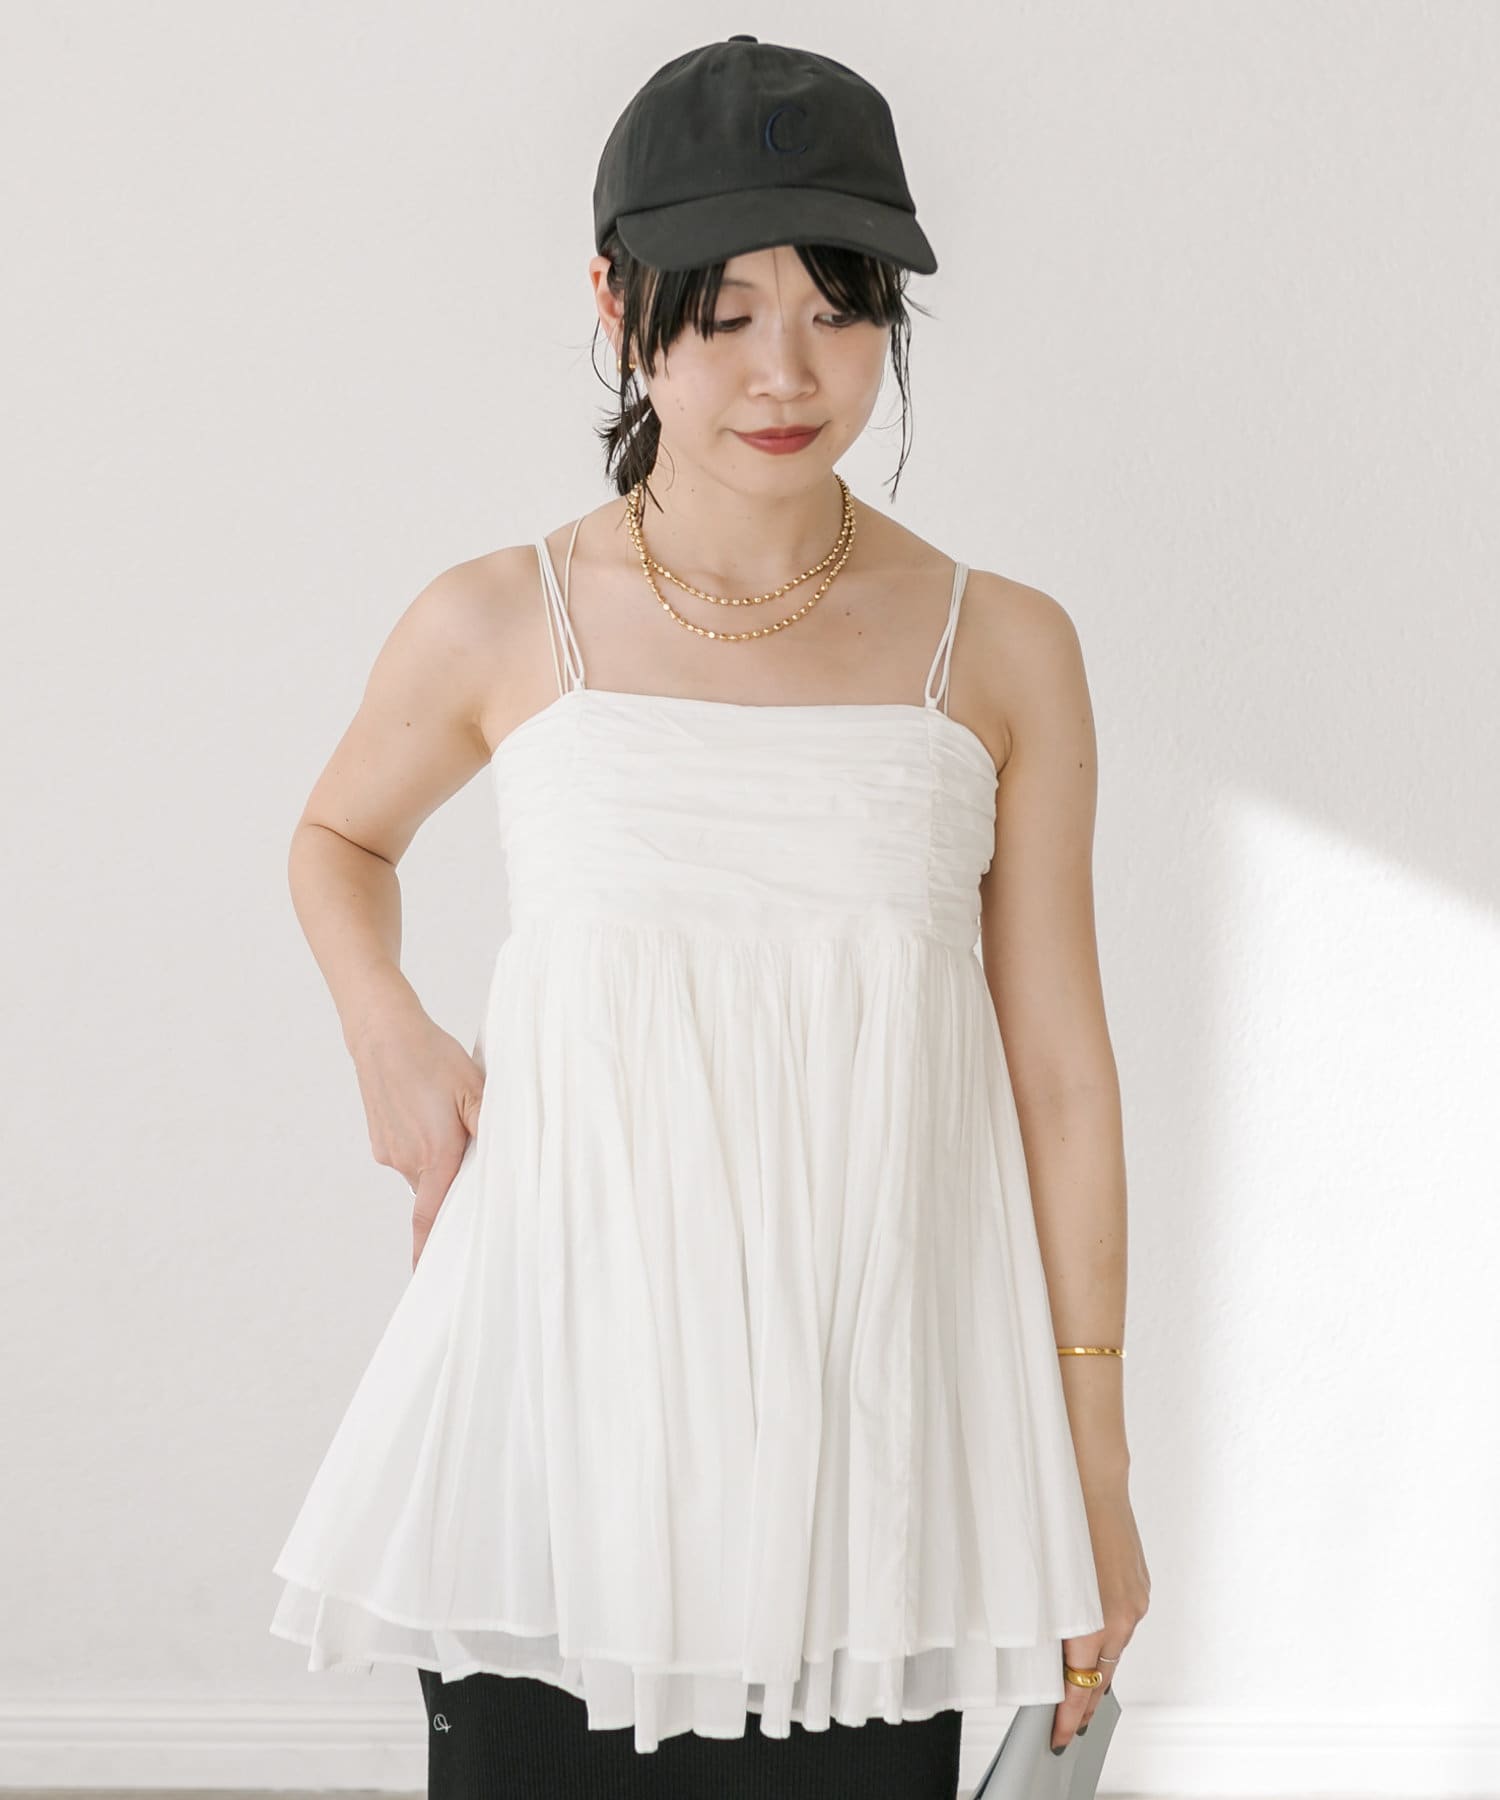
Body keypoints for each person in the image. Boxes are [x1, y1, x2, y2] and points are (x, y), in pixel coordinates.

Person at [270, 34, 1150, 1799]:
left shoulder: (1002, 646)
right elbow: (338, 838)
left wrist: (1096, 1474)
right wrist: (388, 1030)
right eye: (726, 312)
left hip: (876, 1439)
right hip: (562, 1397)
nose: (787, 371)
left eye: (838, 307)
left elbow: (1062, 1080)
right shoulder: (498, 620)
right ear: (616, 301)